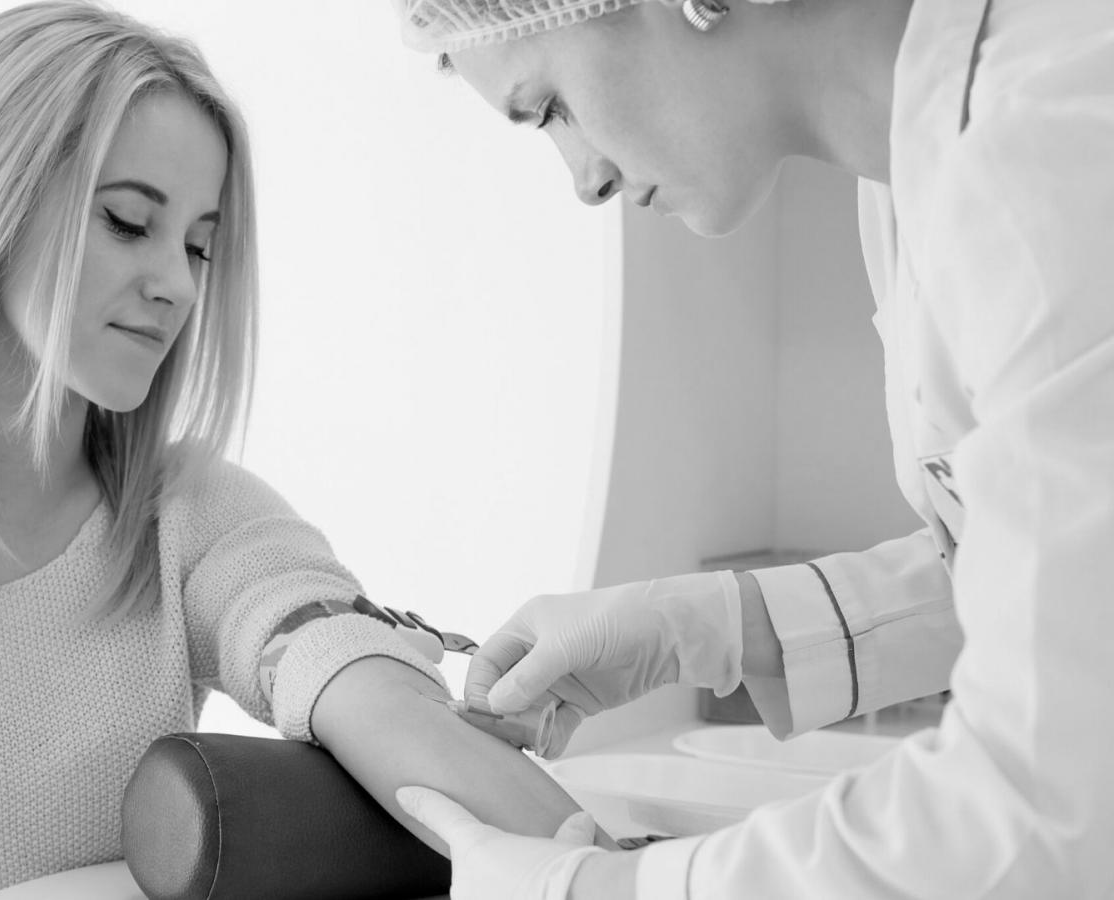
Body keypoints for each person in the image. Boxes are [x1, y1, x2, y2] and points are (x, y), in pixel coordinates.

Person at [0, 3, 589, 897]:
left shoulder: (191, 515)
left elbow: (351, 679)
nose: (176, 284)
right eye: (129, 221)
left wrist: (642, 878)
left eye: (200, 245)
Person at [388, 0, 1114, 896]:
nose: (583, 181)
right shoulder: (911, 177)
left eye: (552, 108)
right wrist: (719, 627)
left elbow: (1045, 810)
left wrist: (602, 891)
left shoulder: (1048, 144)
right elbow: (1060, 577)